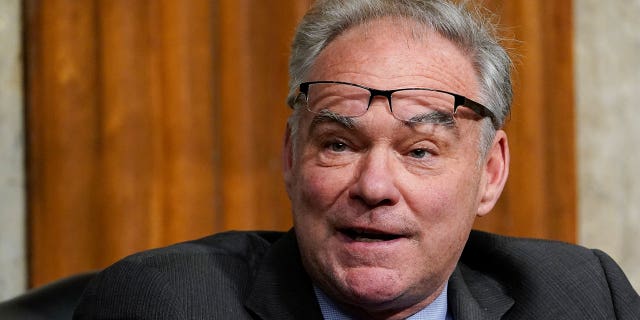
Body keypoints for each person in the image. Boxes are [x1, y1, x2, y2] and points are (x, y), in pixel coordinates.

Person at [74, 0, 640, 319]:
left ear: (490, 173)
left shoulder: (584, 297)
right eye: (339, 145)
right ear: (292, 157)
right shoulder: (164, 305)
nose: (374, 187)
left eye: (420, 150)